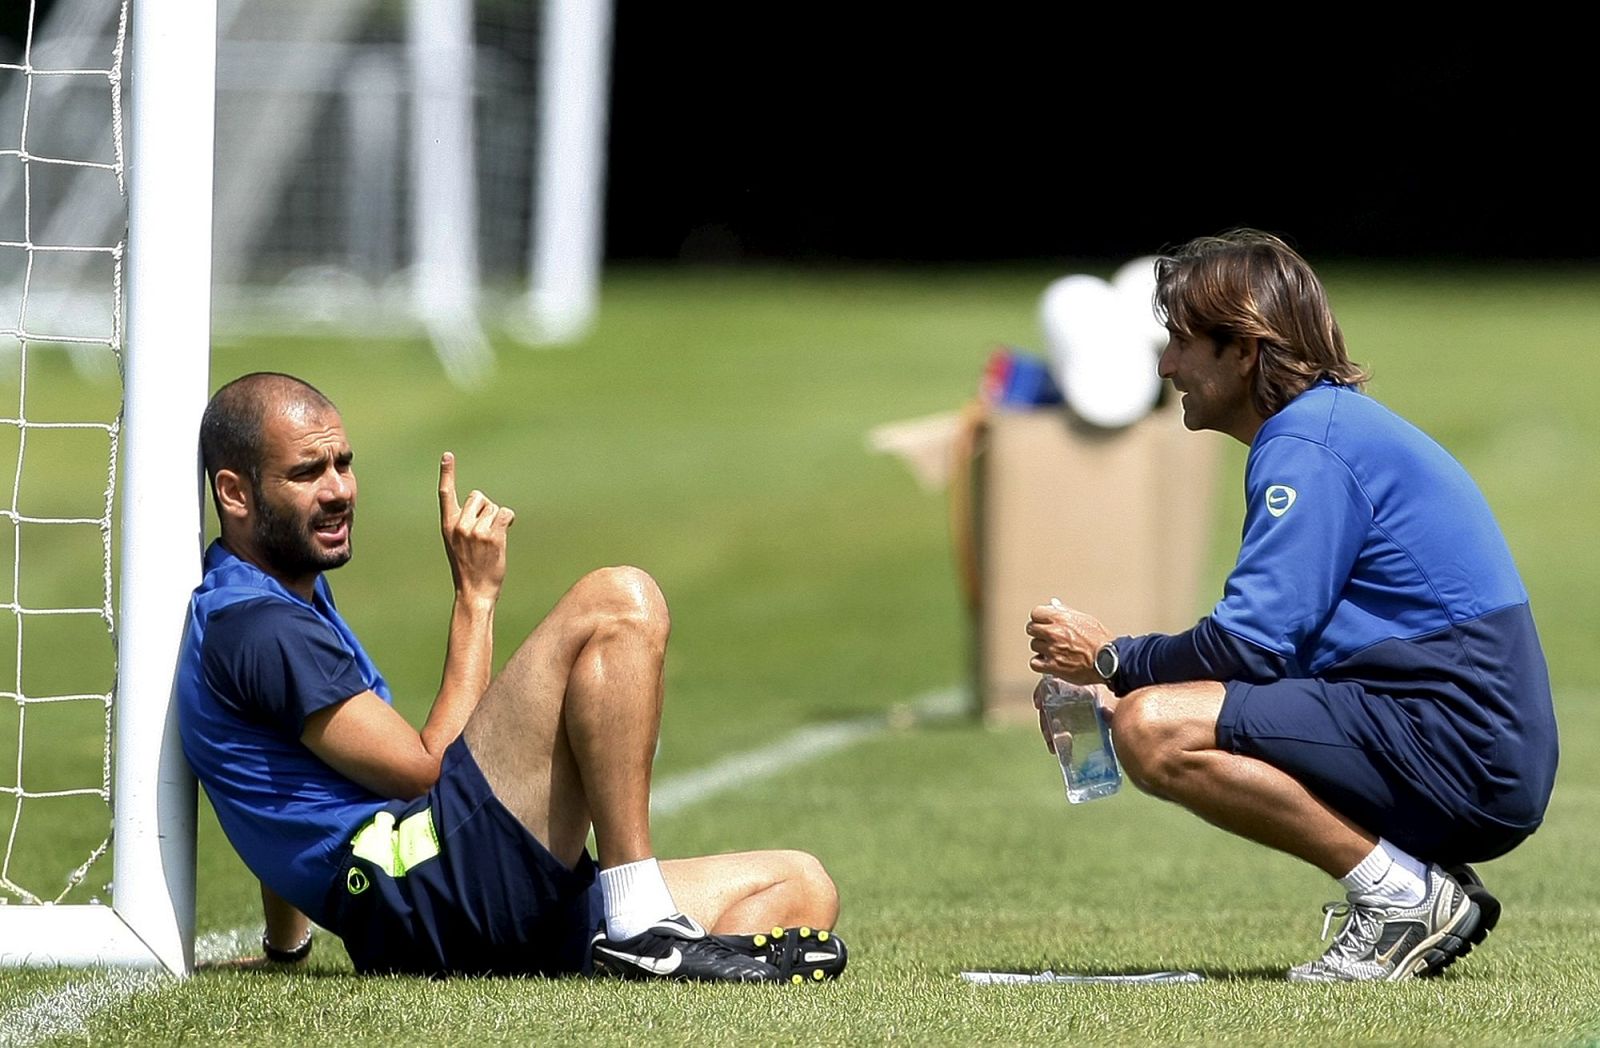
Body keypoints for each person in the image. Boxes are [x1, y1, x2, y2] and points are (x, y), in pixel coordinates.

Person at [176, 371, 848, 982]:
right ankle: (640, 926)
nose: (339, 490)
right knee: (620, 600)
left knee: (801, 888)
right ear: (235, 493)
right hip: (420, 896)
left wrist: (285, 946)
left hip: (454, 890)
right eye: (306, 472)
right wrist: (476, 597)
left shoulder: (278, 603)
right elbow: (426, 769)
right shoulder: (258, 628)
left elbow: (278, 779)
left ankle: (636, 956)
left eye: (343, 463)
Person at [1025, 230, 1558, 982]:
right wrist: (1124, 691)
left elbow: (1249, 649)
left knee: (1155, 730)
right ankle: (1415, 882)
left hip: (1467, 752)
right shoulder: (1325, 429)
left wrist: (1113, 661)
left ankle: (1404, 900)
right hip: (1464, 740)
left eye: (1181, 342)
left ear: (1244, 350)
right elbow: (1279, 665)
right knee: (1149, 714)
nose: (1166, 365)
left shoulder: (1306, 445)